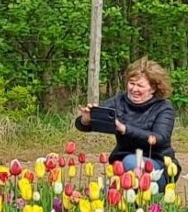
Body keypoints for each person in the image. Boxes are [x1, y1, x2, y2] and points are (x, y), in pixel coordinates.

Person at [74, 57, 178, 191]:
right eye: (131, 83)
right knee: (103, 193)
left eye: (140, 85)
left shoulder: (163, 107)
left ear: (153, 88)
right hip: (121, 162)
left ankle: (144, 195)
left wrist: (124, 129)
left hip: (156, 166)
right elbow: (85, 125)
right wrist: (86, 119)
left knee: (130, 162)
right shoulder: (119, 101)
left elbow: (159, 138)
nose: (134, 89)